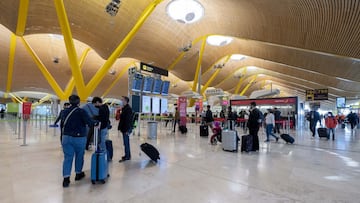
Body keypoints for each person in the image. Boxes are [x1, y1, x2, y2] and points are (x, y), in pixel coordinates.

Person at [61, 95, 97, 187]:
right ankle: (78, 174)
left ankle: (66, 179)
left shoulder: (64, 112)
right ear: (78, 102)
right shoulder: (81, 111)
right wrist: (96, 122)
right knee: (79, 156)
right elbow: (90, 123)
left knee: (67, 158)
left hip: (66, 137)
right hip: (79, 138)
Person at [118, 96, 133, 162]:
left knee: (126, 143)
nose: (121, 101)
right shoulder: (124, 108)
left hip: (126, 128)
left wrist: (128, 130)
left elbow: (128, 120)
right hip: (124, 128)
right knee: (125, 143)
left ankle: (127, 156)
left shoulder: (128, 109)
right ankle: (127, 155)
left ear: (126, 101)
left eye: (122, 100)